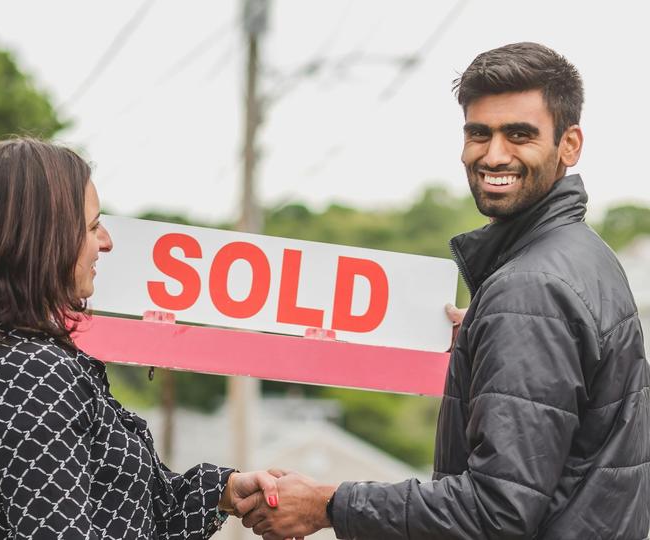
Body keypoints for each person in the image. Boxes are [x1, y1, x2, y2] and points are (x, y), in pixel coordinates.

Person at [242, 42, 650, 539]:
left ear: (570, 144)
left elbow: (496, 512)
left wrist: (330, 503)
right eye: (480, 133)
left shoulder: (530, 289)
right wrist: (485, 342)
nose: (494, 154)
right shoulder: (585, 255)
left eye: (520, 135)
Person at [0, 138, 277, 539]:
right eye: (93, 226)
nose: (107, 242)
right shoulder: (30, 371)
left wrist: (224, 492)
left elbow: (122, 512)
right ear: (42, 241)